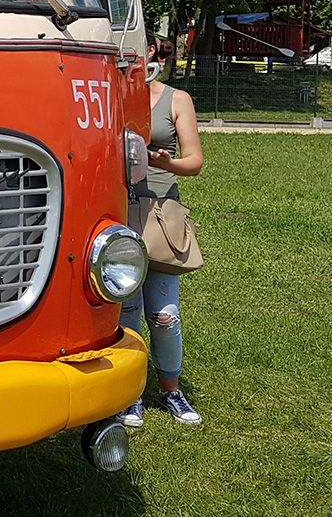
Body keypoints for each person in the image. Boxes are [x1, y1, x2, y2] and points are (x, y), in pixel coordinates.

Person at [118, 34, 206, 427]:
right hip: (117, 212)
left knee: (165, 316)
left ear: (151, 51)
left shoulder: (176, 99)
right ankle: (129, 394)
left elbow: (195, 162)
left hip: (160, 217)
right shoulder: (111, 95)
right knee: (127, 312)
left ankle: (171, 391)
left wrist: (167, 164)